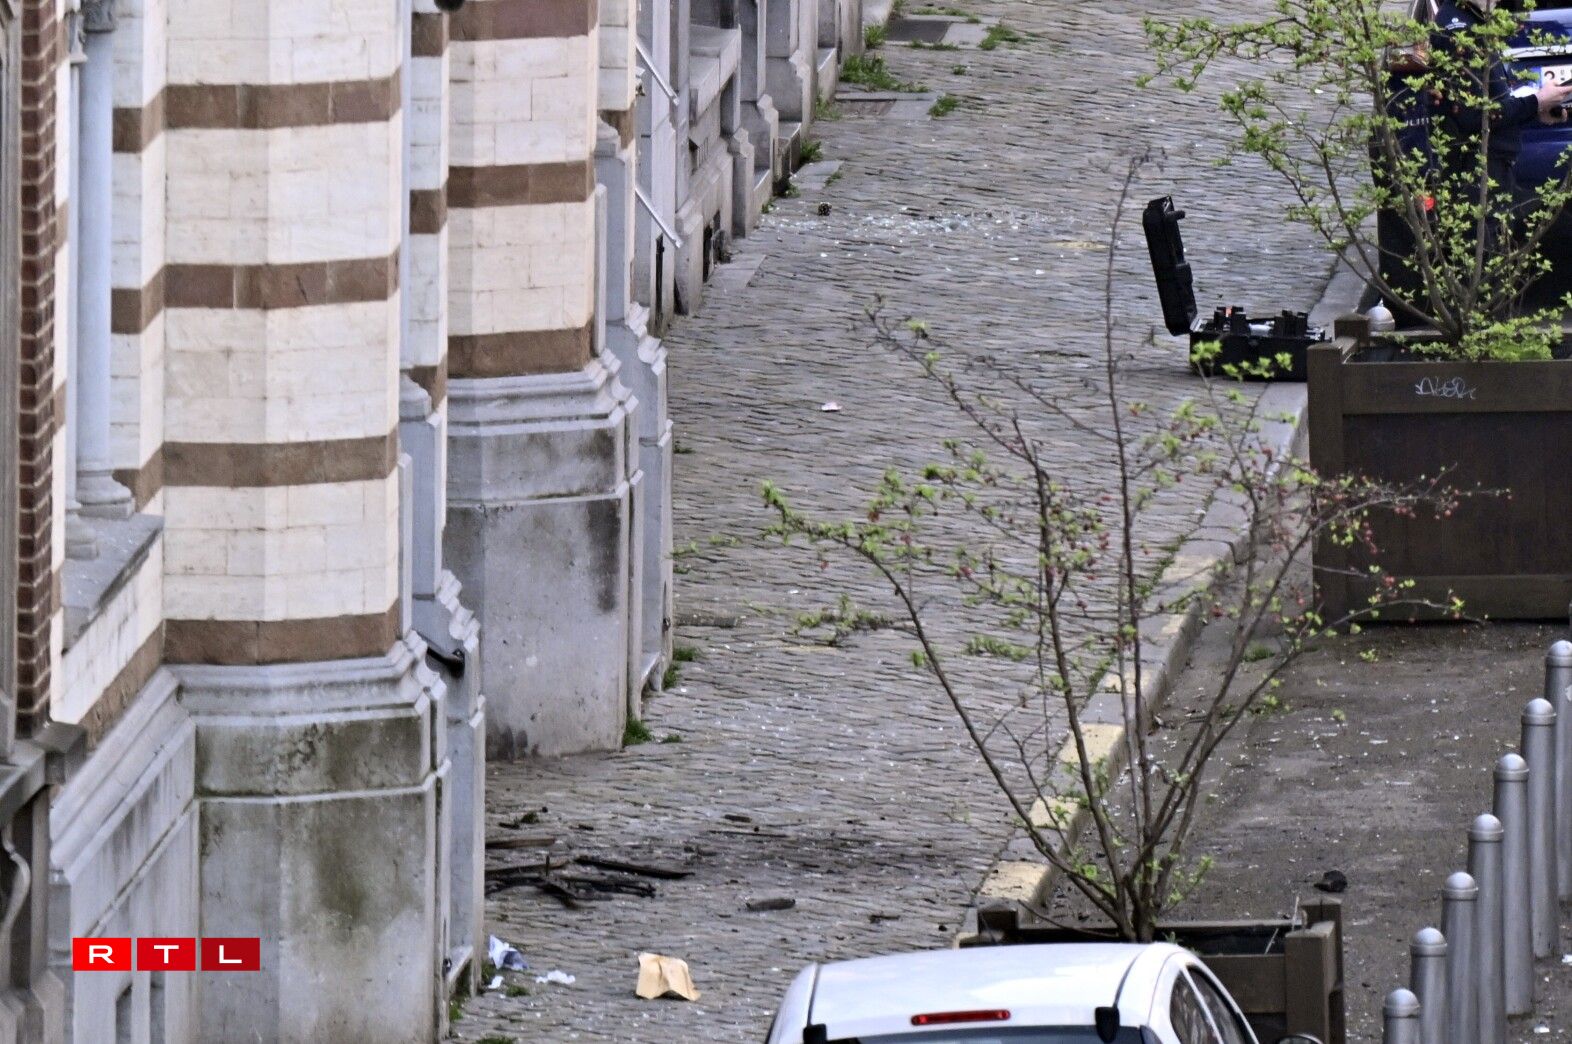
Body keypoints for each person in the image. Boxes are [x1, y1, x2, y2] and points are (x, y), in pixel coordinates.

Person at [1431, 0, 1572, 217]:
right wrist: (1536, 102)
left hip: (1492, 169)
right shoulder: (1459, 31)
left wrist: (1536, 108)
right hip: (1477, 174)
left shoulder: (1472, 20)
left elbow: (1494, 105)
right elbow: (1474, 116)